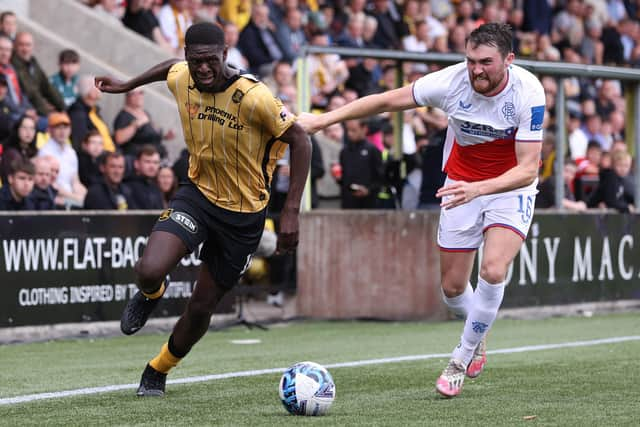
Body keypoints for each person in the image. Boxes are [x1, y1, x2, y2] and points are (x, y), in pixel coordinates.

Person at [297, 23, 545, 398]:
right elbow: (384, 100)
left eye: (486, 62)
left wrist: (479, 188)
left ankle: (460, 359)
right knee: (452, 290)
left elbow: (528, 168)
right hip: (460, 184)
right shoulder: (451, 82)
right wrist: (321, 120)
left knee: (494, 268)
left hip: (509, 188)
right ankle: (478, 332)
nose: (476, 70)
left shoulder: (529, 93)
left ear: (509, 60)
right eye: (470, 60)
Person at [95, 22, 310, 396]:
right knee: (148, 270)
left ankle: (158, 370)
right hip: (197, 195)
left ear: (225, 55)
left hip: (243, 218)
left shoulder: (255, 97)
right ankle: (151, 293)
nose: (203, 69)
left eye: (211, 60)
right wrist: (127, 85)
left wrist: (290, 211)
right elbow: (169, 68)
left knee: (200, 306)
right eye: (196, 61)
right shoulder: (184, 76)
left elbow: (300, 139)